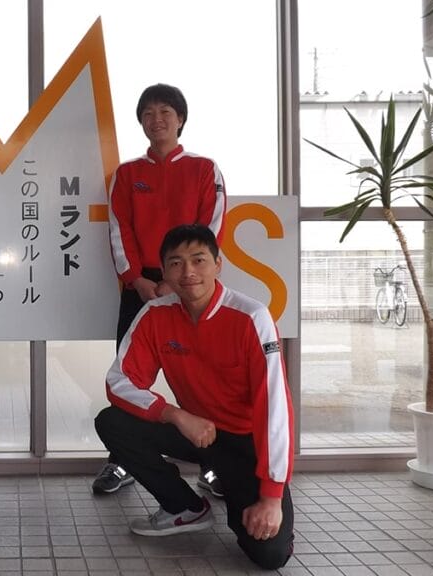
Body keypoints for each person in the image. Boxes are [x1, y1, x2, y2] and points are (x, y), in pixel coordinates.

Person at [94, 224, 294, 570]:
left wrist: (271, 497)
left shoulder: (252, 317)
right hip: (196, 431)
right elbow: (119, 380)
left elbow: (274, 409)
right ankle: (184, 507)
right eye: (176, 263)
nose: (188, 272)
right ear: (164, 271)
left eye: (198, 260)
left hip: (245, 444)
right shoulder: (156, 314)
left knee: (269, 554)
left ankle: (230, 486)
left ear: (218, 264)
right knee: (112, 422)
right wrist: (174, 414)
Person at [95, 83, 227, 497]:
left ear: (180, 119)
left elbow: (211, 227)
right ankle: (122, 461)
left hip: (191, 285)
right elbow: (119, 230)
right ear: (141, 122)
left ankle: (214, 464)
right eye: (148, 113)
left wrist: (176, 279)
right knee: (128, 372)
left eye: (166, 111)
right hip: (141, 286)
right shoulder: (128, 174)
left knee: (203, 373)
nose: (157, 120)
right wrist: (137, 279)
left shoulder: (204, 169)